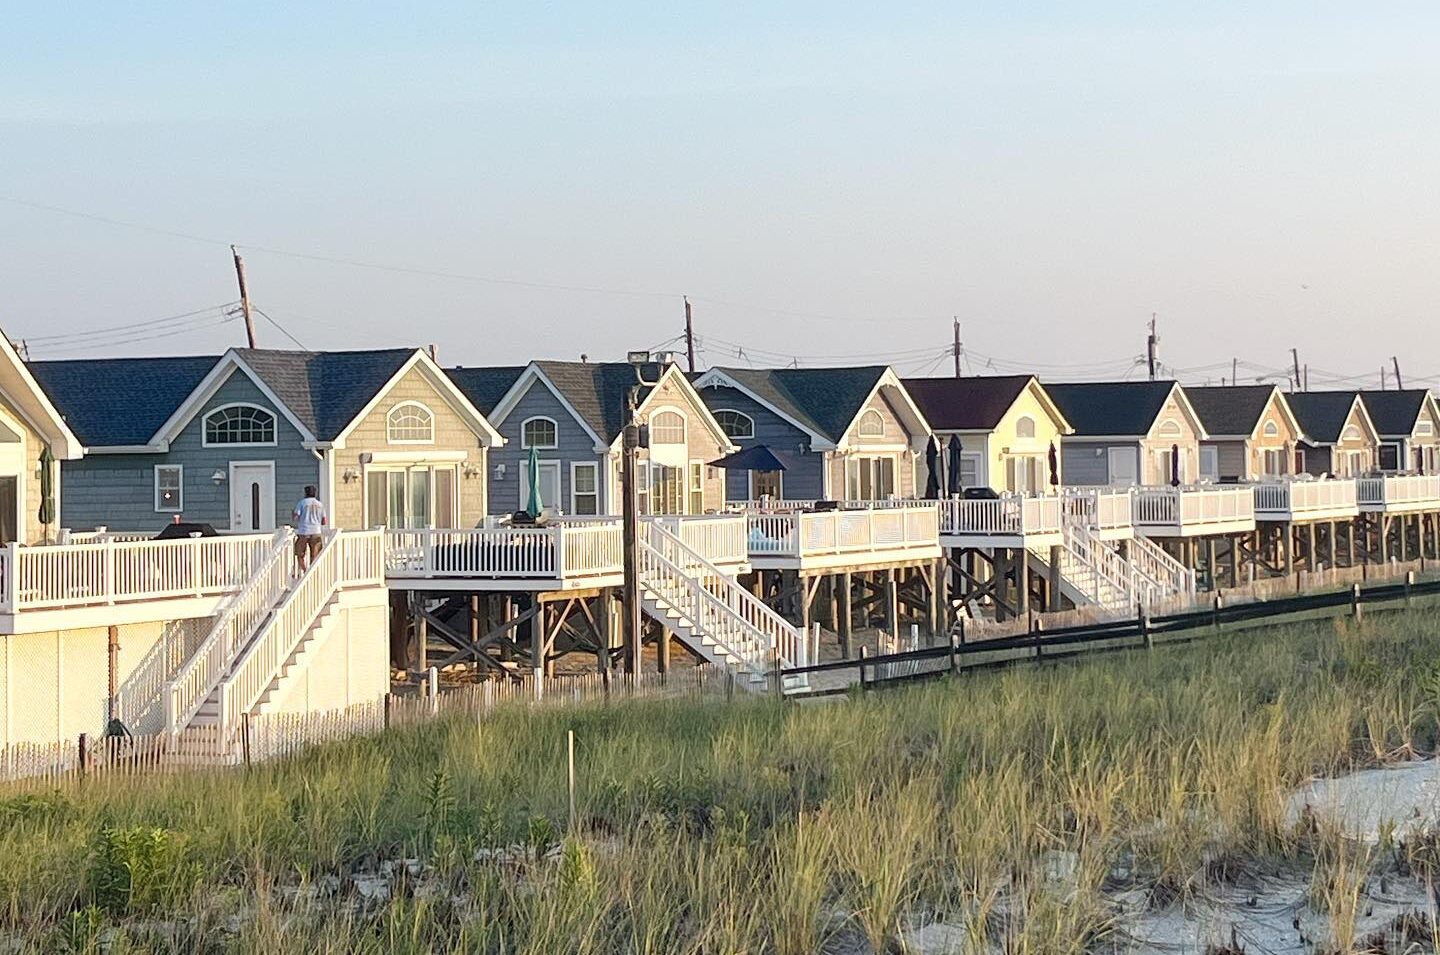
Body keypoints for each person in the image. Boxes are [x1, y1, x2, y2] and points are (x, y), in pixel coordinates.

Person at [292, 485, 328, 572]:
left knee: (299, 554)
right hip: (316, 531)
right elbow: (324, 521)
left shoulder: (302, 503)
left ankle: (305, 570)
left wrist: (293, 514)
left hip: (304, 531)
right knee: (315, 554)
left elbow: (296, 517)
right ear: (315, 493)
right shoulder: (320, 504)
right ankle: (312, 572)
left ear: (305, 493)